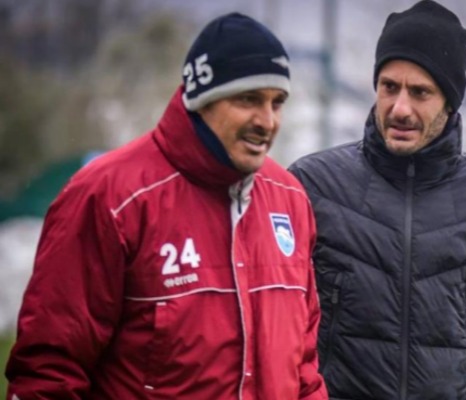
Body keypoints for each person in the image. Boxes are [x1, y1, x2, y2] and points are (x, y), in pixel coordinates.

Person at [5, 13, 327, 400]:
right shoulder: (110, 198)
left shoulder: (289, 198)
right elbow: (49, 371)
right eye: (248, 99)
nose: (268, 121)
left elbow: (304, 368)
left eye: (278, 103)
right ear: (202, 100)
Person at [289, 1, 466, 399]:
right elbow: (273, 332)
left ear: (449, 102)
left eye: (420, 92)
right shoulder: (311, 188)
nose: (401, 108)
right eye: (389, 87)